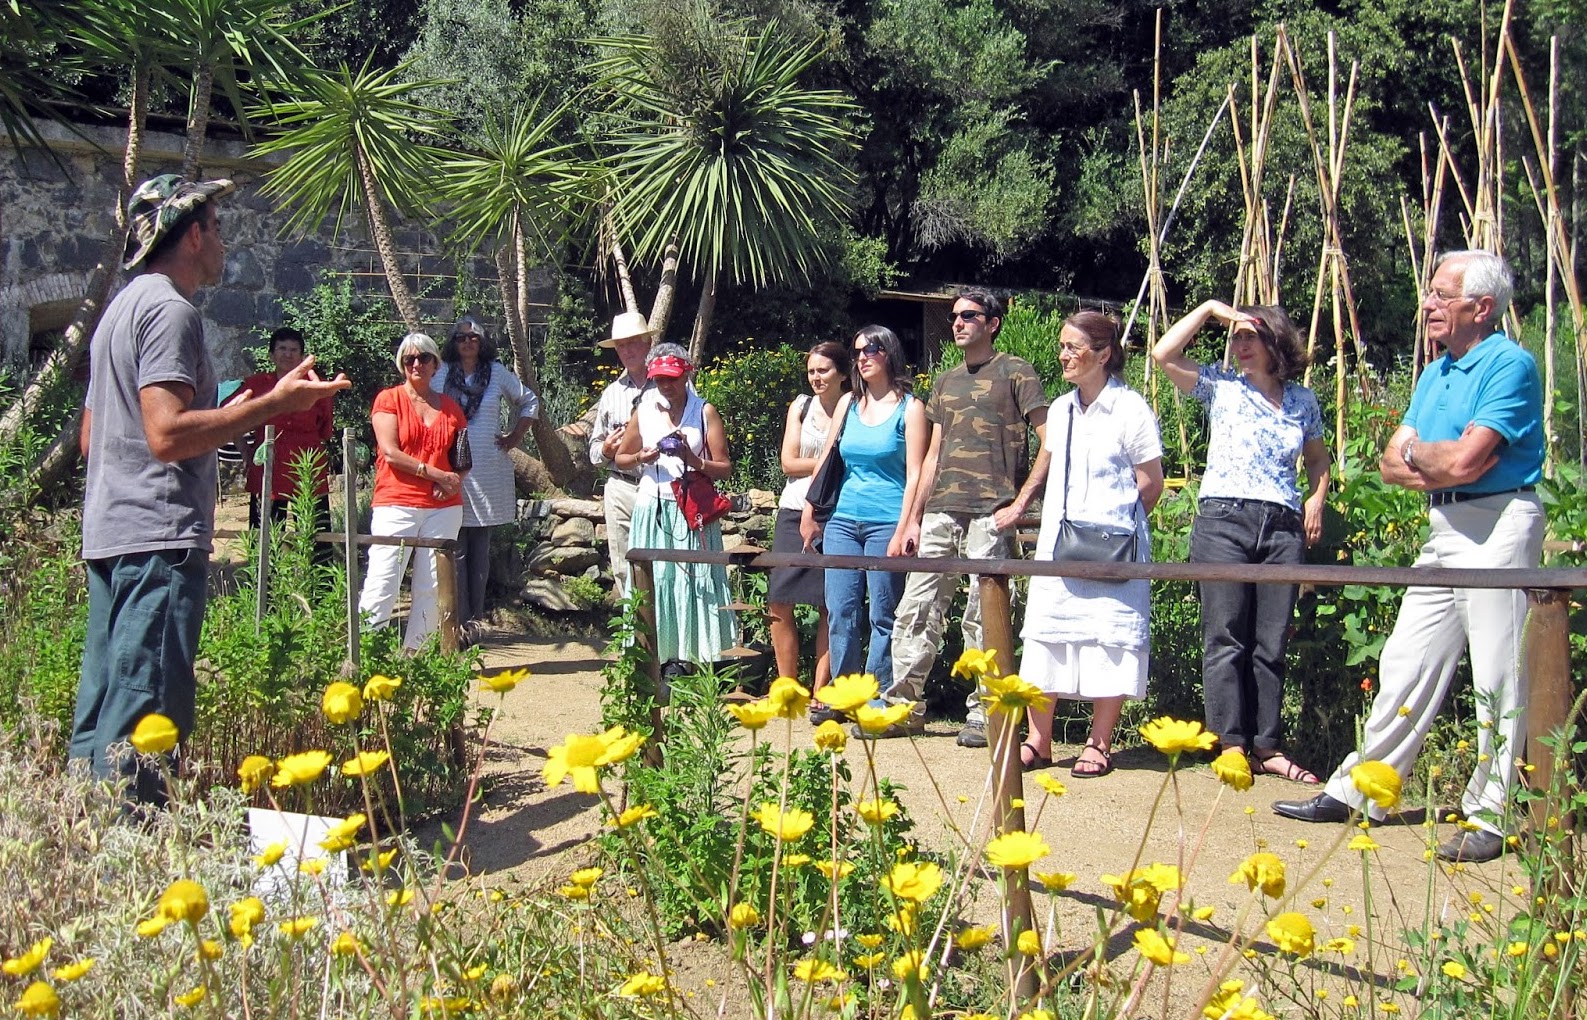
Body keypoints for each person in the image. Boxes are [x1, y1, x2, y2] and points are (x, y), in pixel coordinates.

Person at [71, 174, 350, 804]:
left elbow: (93, 440)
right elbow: (166, 434)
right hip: (158, 541)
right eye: (219, 227)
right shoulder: (171, 311)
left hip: (110, 535)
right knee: (147, 712)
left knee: (103, 705)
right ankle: (135, 859)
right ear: (193, 234)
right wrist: (272, 404)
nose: (224, 240)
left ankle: (82, 839)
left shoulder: (117, 311)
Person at [1275, 250, 1545, 863]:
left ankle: (1491, 813)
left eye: (1441, 295)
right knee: (1406, 658)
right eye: (1429, 292)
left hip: (1499, 519)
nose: (1427, 304)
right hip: (1446, 520)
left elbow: (1465, 463)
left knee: (1499, 669)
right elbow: (1391, 464)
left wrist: (1427, 456)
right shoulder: (1435, 373)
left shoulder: (1510, 365)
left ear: (1481, 307)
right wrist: (1435, 457)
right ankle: (1364, 789)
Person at [1152, 300, 1331, 783]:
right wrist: (1212, 310)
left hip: (1281, 526)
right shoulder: (1220, 387)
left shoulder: (1302, 401)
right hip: (1224, 521)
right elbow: (1163, 354)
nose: (1241, 344)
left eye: (1252, 335)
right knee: (1225, 636)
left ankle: (1268, 746)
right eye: (1238, 336)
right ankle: (1230, 743)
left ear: (1277, 343)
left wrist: (1315, 502)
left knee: (1271, 641)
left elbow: (1317, 460)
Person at [1006, 312, 1164, 776]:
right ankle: (1039, 740)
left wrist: (1117, 529)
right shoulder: (1060, 408)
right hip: (1060, 545)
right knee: (1046, 636)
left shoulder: (1131, 409)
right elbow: (1046, 464)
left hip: (1115, 548)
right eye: (1063, 346)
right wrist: (1020, 506)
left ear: (1103, 354)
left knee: (1109, 638)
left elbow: (1149, 482)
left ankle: (1099, 743)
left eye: (1074, 348)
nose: (1064, 355)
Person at [889, 288, 1048, 744]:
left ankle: (985, 713)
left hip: (991, 514)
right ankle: (903, 707)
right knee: (916, 609)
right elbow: (933, 453)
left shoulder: (1016, 372)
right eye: (955, 316)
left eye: (969, 316)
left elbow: (1048, 438)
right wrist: (914, 518)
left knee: (986, 616)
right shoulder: (945, 381)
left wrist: (1020, 505)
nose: (958, 323)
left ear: (992, 323)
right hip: (941, 511)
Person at [800, 327, 928, 722]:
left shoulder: (911, 408)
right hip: (843, 519)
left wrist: (908, 525)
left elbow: (916, 473)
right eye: (857, 351)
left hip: (887, 520)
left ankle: (875, 699)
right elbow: (826, 458)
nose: (863, 356)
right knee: (840, 609)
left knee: (883, 613)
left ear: (889, 352)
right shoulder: (848, 404)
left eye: (871, 348)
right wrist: (811, 510)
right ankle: (843, 694)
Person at [612, 343, 738, 666]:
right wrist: (643, 456)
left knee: (696, 581)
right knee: (658, 581)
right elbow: (621, 457)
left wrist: (691, 459)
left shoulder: (704, 411)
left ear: (686, 375)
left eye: (672, 378)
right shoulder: (644, 410)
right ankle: (657, 657)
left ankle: (699, 658)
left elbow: (724, 467)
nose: (665, 385)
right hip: (653, 508)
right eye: (659, 379)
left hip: (692, 509)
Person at [433, 313, 540, 644]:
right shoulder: (439, 374)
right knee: (454, 544)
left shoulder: (495, 374)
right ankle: (455, 621)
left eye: (473, 337)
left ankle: (475, 623)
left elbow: (529, 401)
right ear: (453, 342)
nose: (467, 342)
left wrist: (513, 439)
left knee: (480, 547)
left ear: (483, 342)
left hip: (488, 471)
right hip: (450, 469)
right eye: (461, 338)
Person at [357, 332, 468, 651]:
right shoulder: (389, 400)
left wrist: (451, 483)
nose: (416, 364)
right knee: (384, 578)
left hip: (443, 507)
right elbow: (390, 452)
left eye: (423, 358)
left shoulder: (450, 407)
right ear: (402, 364)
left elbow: (462, 460)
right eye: (409, 359)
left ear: (436, 363)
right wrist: (435, 474)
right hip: (397, 502)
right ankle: (366, 653)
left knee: (431, 586)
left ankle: (415, 658)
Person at [768, 341, 849, 714]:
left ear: (842, 374)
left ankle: (822, 689)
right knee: (779, 598)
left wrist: (814, 462)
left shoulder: (854, 408)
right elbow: (787, 462)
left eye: (824, 370)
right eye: (812, 370)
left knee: (829, 603)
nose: (817, 377)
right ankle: (787, 686)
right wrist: (826, 462)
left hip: (836, 512)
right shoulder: (800, 406)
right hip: (793, 507)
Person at [241, 327, 335, 557]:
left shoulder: (316, 387)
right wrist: (247, 455)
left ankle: (319, 592)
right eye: (282, 349)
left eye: (294, 350)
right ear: (271, 354)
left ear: (302, 357)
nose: (288, 354)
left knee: (317, 536)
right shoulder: (257, 384)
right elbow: (231, 415)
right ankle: (264, 591)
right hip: (269, 472)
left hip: (308, 469)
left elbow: (324, 429)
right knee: (265, 537)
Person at [589, 312, 656, 598]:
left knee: (661, 562)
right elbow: (594, 451)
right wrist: (606, 449)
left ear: (647, 344)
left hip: (660, 486)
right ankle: (633, 637)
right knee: (622, 563)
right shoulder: (611, 394)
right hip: (621, 486)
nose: (627, 351)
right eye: (621, 346)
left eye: (632, 344)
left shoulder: (672, 385)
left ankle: (662, 638)